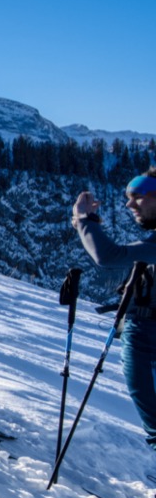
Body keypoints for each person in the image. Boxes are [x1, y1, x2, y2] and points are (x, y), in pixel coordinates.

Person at [71, 170, 156, 448]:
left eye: (138, 197)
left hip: (146, 337)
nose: (130, 205)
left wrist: (84, 221)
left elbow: (109, 256)